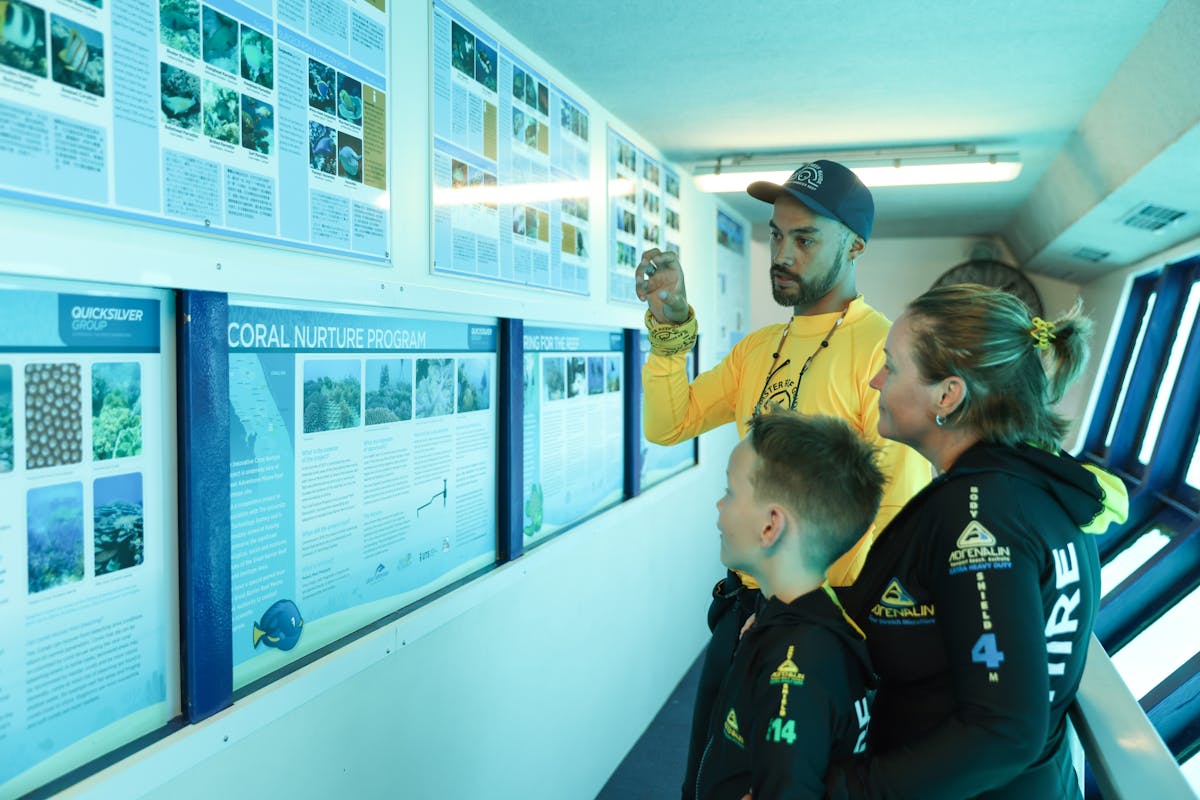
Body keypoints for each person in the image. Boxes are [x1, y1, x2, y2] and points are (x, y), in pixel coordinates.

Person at [635, 159, 932, 798]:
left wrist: (802, 615)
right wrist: (668, 330)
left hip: (818, 630)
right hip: (744, 609)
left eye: (804, 239)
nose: (783, 254)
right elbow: (669, 423)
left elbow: (894, 515)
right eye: (776, 236)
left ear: (854, 246)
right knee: (705, 780)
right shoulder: (759, 347)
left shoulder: (884, 352)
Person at [826, 284, 1130, 799]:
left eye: (892, 367)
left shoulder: (984, 518)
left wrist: (838, 791)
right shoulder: (1030, 489)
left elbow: (1004, 730)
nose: (876, 380)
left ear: (947, 395)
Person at [697, 411, 883, 800]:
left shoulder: (796, 667)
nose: (718, 505)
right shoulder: (798, 618)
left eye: (730, 492)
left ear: (770, 527)